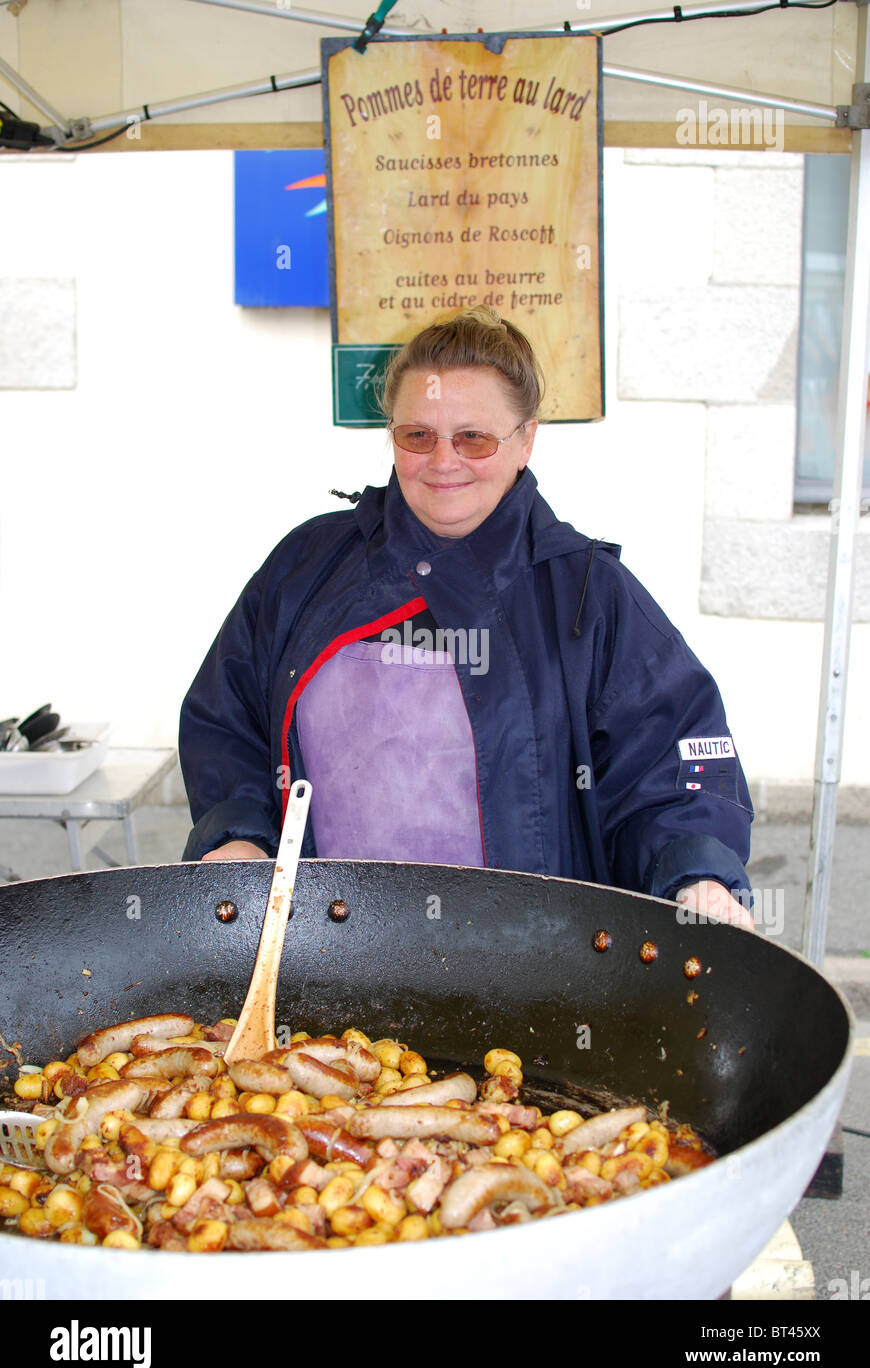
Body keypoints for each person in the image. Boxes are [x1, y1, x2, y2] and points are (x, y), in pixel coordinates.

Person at [179, 306, 754, 927]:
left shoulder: (591, 597)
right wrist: (237, 835)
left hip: (528, 965)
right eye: (416, 435)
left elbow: (676, 762)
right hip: (324, 951)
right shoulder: (307, 566)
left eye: (473, 438)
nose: (442, 461)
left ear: (526, 438)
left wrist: (697, 873)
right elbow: (225, 717)